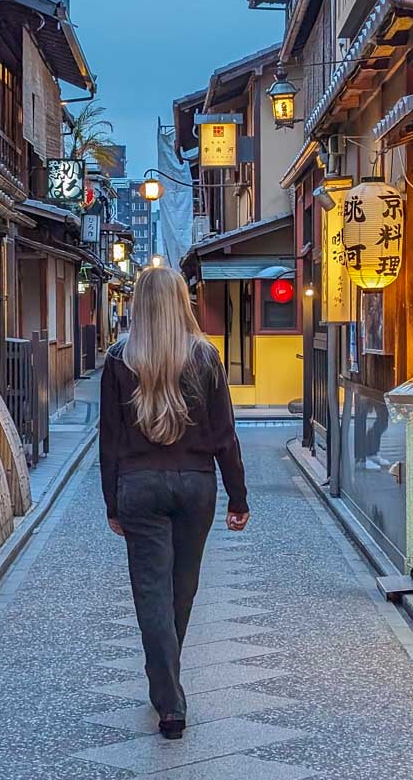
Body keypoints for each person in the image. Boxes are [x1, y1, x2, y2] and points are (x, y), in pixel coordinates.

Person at [99, 266, 250, 741]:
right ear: (182, 302)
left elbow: (109, 438)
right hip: (196, 485)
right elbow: (224, 433)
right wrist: (238, 495)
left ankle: (168, 698)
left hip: (139, 485)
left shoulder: (120, 359)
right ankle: (168, 687)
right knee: (181, 591)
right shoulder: (205, 356)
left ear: (139, 305)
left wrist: (112, 503)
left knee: (151, 594)